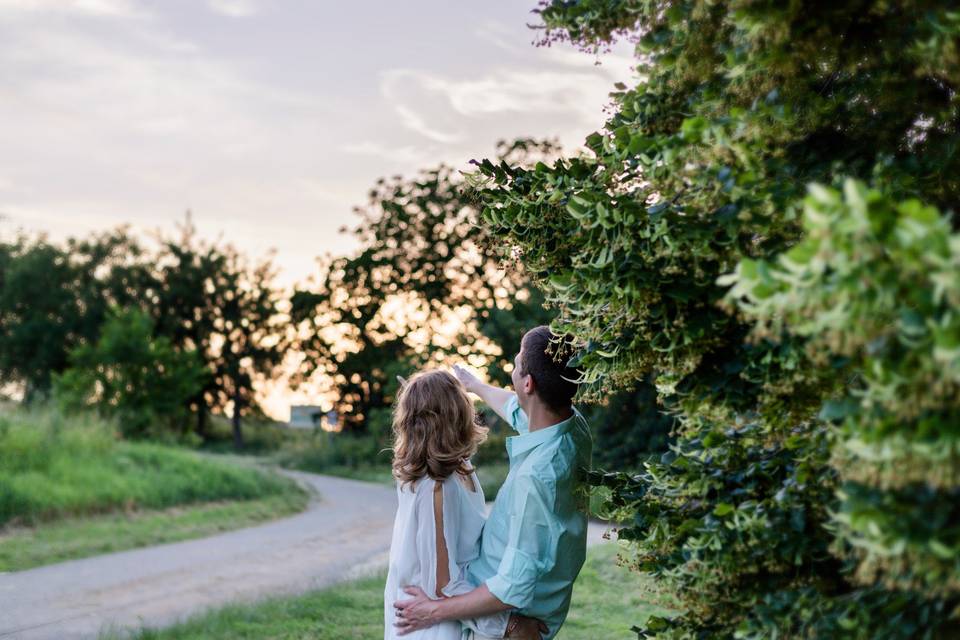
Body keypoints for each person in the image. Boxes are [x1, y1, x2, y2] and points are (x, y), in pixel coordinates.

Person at [393, 326, 593, 640]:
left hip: (502, 622)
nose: (512, 372)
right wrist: (475, 385)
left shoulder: (536, 480)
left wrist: (433, 611)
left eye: (516, 366)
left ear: (528, 383)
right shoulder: (572, 426)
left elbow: (511, 588)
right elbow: (518, 409)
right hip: (489, 610)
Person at [384, 369, 544, 640]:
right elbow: (441, 586)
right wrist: (508, 625)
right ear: (456, 413)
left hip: (454, 613)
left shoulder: (460, 468)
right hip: (433, 623)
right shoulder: (435, 487)